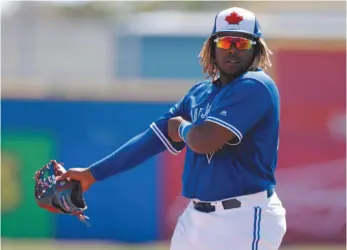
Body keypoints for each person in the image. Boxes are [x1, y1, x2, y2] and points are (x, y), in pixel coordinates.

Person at [58, 6, 287, 250]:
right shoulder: (200, 93)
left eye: (241, 43)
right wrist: (92, 173)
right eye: (225, 41)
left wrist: (180, 128)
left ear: (256, 49)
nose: (232, 49)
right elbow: (150, 140)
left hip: (244, 216)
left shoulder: (256, 86)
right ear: (212, 47)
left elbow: (204, 140)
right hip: (195, 218)